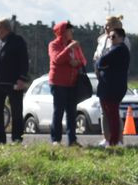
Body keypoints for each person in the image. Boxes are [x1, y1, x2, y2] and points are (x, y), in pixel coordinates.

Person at [0, 18, 29, 143]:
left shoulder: (17, 41)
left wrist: (22, 78)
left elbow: (24, 61)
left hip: (14, 82)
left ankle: (17, 138)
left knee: (16, 111)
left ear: (5, 28)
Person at [48, 20, 87, 146]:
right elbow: (57, 59)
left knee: (71, 112)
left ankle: (72, 140)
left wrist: (78, 63)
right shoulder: (53, 45)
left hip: (73, 83)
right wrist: (68, 49)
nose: (72, 32)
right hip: (58, 83)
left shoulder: (74, 44)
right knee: (58, 111)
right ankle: (56, 140)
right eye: (70, 30)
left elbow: (83, 61)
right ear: (63, 32)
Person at [92, 16, 130, 145]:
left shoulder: (121, 44)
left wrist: (101, 62)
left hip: (113, 83)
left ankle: (116, 139)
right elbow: (97, 59)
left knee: (113, 113)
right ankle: (107, 138)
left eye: (108, 25)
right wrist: (100, 63)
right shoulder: (103, 39)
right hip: (103, 80)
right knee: (105, 112)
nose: (105, 28)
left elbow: (103, 60)